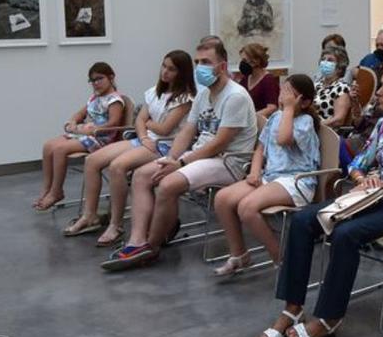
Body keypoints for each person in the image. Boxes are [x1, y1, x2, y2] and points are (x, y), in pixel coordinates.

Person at [262, 62, 383, 337]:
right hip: (371, 197)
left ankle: (328, 317)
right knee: (302, 220)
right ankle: (293, 307)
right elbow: (358, 162)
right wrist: (361, 177)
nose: (378, 92)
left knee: (346, 234)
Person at [101, 37, 257, 271]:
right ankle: (137, 240)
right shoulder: (204, 94)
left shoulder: (236, 95)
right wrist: (171, 159)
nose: (200, 67)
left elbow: (219, 143)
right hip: (201, 157)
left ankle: (151, 248)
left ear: (222, 66)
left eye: (206, 61)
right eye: (197, 62)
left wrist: (181, 162)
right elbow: (188, 130)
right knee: (143, 175)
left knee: (167, 184)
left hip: (229, 161)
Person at [62, 51, 194, 246]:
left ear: (182, 73)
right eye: (164, 66)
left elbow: (165, 129)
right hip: (145, 139)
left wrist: (147, 124)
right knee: (92, 161)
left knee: (117, 167)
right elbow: (140, 120)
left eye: (172, 69)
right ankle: (89, 215)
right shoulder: (154, 92)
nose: (165, 72)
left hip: (165, 144)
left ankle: (116, 225)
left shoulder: (185, 98)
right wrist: (143, 132)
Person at [214, 74, 321, 277]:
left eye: (290, 95)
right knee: (222, 199)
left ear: (304, 102)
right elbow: (260, 148)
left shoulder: (305, 121)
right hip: (271, 176)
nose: (283, 98)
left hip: (297, 181)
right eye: (283, 92)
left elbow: (283, 139)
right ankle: (239, 254)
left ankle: (281, 259)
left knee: (247, 208)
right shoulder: (276, 117)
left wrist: (289, 108)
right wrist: (254, 172)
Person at [35, 63, 126, 211]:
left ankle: (56, 191)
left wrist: (92, 130)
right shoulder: (94, 98)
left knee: (60, 150)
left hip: (100, 138)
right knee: (48, 146)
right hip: (84, 134)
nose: (96, 83)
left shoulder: (114, 100)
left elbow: (113, 122)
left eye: (99, 79)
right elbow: (80, 114)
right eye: (92, 80)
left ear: (111, 77)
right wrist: (72, 122)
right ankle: (46, 188)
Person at [232, 42, 280, 121]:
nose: (242, 63)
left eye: (244, 60)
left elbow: (272, 108)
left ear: (256, 61)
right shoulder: (246, 79)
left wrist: (251, 118)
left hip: (262, 123)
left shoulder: (268, 80)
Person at [313, 45, 353, 130]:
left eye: (330, 60)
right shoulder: (316, 85)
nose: (325, 62)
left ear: (339, 67)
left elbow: (338, 120)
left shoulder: (342, 88)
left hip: (327, 133)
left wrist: (316, 126)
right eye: (323, 59)